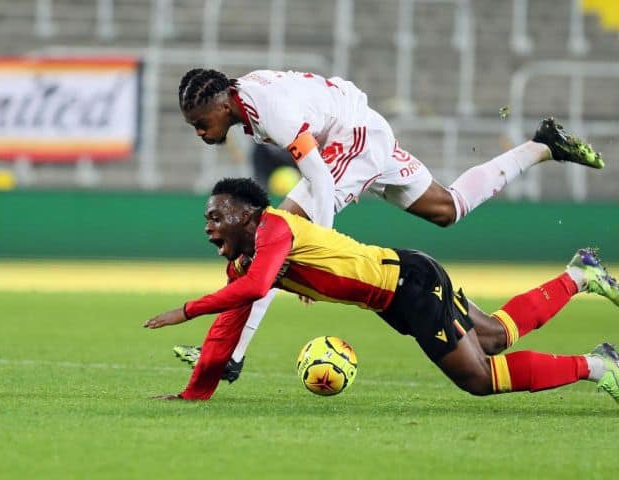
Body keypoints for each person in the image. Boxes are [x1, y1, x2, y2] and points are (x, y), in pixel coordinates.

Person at [174, 68, 605, 382]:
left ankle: (233, 354)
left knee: (273, 234)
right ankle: (540, 147)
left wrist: (318, 248)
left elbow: (320, 176)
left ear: (223, 103)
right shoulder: (245, 96)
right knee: (446, 208)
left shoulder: (268, 110)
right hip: (364, 129)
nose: (199, 130)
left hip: (353, 139)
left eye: (200, 121)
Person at [144, 177, 619, 403]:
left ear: (248, 215)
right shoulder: (248, 257)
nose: (208, 228)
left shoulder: (275, 229)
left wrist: (186, 310)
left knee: (479, 377)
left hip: (408, 286)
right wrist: (196, 393)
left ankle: (601, 368)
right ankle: (580, 274)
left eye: (216, 217)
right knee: (493, 336)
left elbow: (259, 285)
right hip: (401, 283)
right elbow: (232, 322)